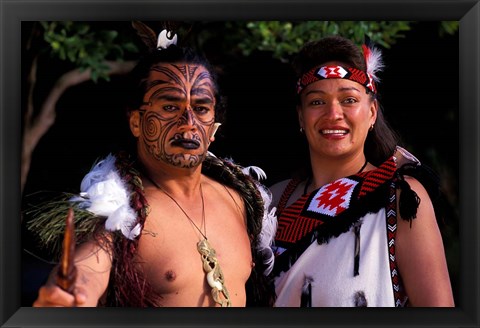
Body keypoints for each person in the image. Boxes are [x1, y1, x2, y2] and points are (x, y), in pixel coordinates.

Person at [29, 22, 276, 307]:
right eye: (170, 107)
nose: (189, 124)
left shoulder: (239, 199)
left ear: (215, 125)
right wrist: (71, 296)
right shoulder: (121, 211)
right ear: (135, 121)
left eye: (201, 108)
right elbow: (86, 270)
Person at [269, 35, 455, 307]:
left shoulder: (401, 197)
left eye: (348, 100)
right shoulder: (273, 200)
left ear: (372, 112)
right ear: (300, 116)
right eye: (317, 102)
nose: (333, 114)